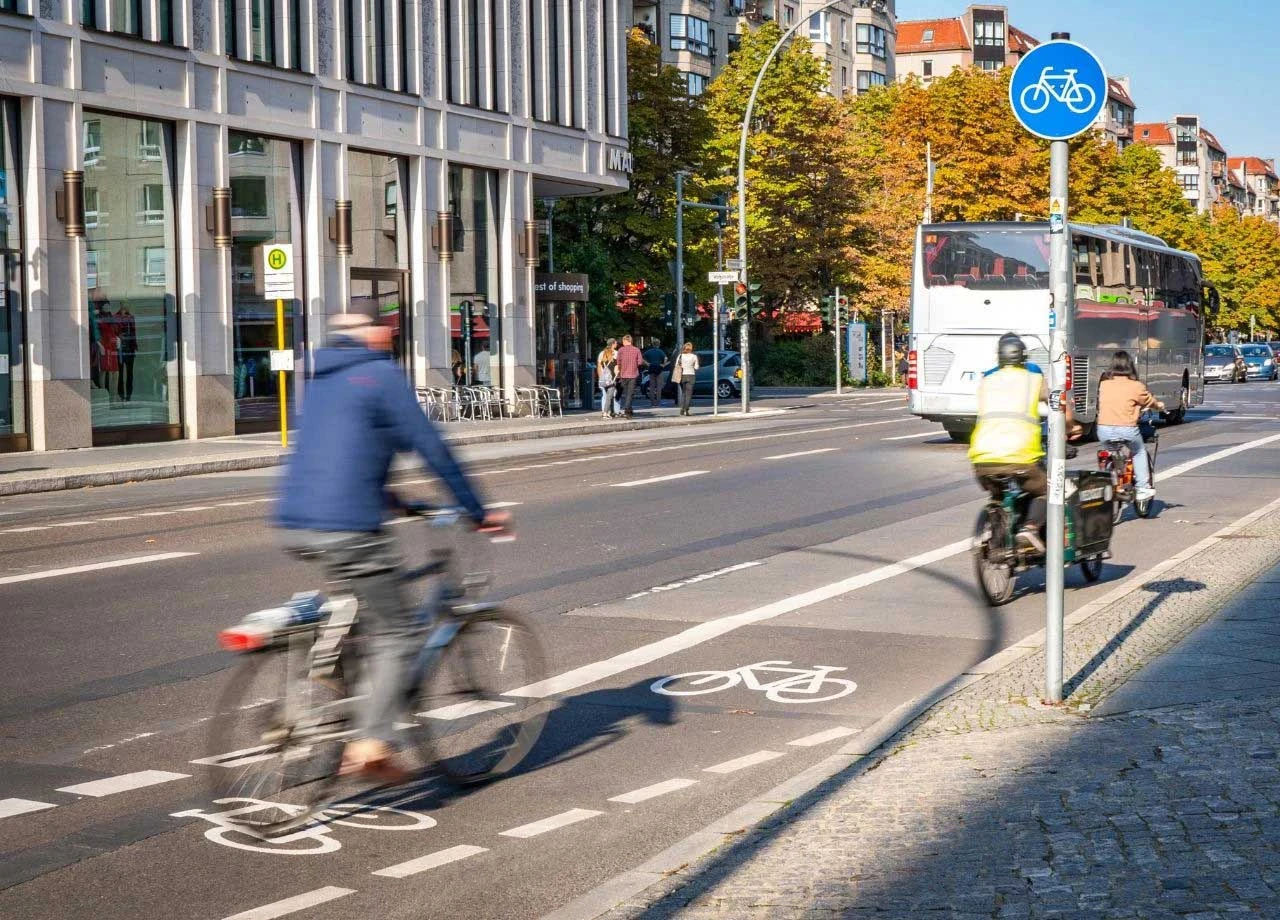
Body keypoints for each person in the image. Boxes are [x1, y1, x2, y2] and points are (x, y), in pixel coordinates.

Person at [275, 313, 508, 780]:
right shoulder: (380, 374)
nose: (391, 337)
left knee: (366, 608)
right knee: (399, 630)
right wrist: (479, 511)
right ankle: (369, 744)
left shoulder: (320, 377)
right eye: (387, 331)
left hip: (296, 519)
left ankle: (336, 672)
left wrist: (393, 498)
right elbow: (433, 449)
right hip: (349, 526)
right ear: (376, 335)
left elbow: (340, 450)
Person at [969, 332, 1078, 553]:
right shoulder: (1033, 379)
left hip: (981, 459)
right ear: (1024, 357)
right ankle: (1030, 527)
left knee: (999, 494)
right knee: (1049, 490)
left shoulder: (986, 381)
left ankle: (995, 534)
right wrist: (1070, 427)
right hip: (1021, 456)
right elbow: (1059, 405)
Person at [1097, 350, 1163, 503]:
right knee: (1139, 451)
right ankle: (1142, 488)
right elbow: (1149, 401)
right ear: (1130, 366)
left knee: (1110, 452)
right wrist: (1158, 406)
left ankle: (1111, 481)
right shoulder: (1136, 386)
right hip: (1126, 429)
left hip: (1103, 430)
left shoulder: (1104, 384)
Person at [615, 334, 644, 418]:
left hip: (623, 374)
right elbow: (640, 362)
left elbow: (618, 362)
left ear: (625, 341)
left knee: (627, 393)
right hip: (633, 374)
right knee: (630, 394)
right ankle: (628, 409)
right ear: (631, 341)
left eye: (623, 341)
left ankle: (628, 409)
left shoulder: (620, 350)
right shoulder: (636, 350)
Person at [115, 303, 137, 402]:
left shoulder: (131, 317)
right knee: (120, 373)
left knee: (129, 373)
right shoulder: (115, 317)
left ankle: (128, 395)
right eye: (123, 305)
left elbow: (133, 332)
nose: (125, 307)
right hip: (120, 348)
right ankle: (121, 394)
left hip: (129, 348)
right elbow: (114, 331)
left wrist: (135, 345)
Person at [673, 342, 699, 416]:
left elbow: (676, 365)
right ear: (691, 349)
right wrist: (693, 365)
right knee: (689, 394)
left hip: (682, 375)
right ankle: (686, 410)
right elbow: (696, 367)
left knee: (684, 393)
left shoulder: (680, 356)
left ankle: (682, 408)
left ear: (684, 348)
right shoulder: (694, 356)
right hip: (691, 375)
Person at [597, 340, 618, 419]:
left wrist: (600, 378)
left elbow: (599, 367)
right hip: (611, 380)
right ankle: (605, 413)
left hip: (604, 379)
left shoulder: (602, 357)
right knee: (610, 396)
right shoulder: (614, 359)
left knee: (608, 396)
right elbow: (616, 370)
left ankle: (610, 412)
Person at [643, 341, 668, 407]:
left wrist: (647, 363)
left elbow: (642, 358)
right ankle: (658, 402)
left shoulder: (649, 351)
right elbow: (665, 358)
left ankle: (652, 403)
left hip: (651, 368)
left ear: (652, 344)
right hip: (659, 368)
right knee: (659, 386)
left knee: (652, 386)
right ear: (658, 345)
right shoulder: (660, 351)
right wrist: (663, 364)